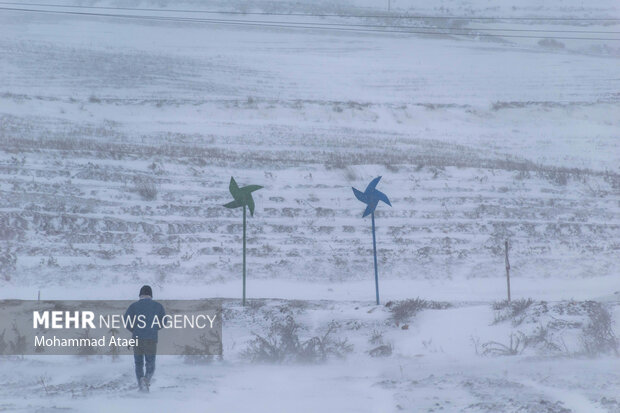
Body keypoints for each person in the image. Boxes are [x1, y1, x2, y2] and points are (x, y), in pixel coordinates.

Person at [124, 285, 165, 392]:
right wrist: (154, 328)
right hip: (151, 339)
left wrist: (134, 330)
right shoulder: (158, 306)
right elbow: (164, 322)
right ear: (151, 295)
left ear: (140, 294)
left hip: (137, 338)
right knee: (150, 363)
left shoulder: (133, 306)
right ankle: (146, 379)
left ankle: (141, 385)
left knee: (138, 363)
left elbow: (127, 321)